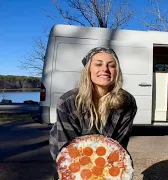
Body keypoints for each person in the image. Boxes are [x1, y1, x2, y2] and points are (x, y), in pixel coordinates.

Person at [49, 46, 137, 179]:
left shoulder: (127, 102)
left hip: (102, 157)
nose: (105, 69)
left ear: (117, 72)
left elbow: (118, 147)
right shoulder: (67, 102)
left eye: (111, 65)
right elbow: (67, 151)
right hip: (67, 151)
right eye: (98, 64)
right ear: (88, 69)